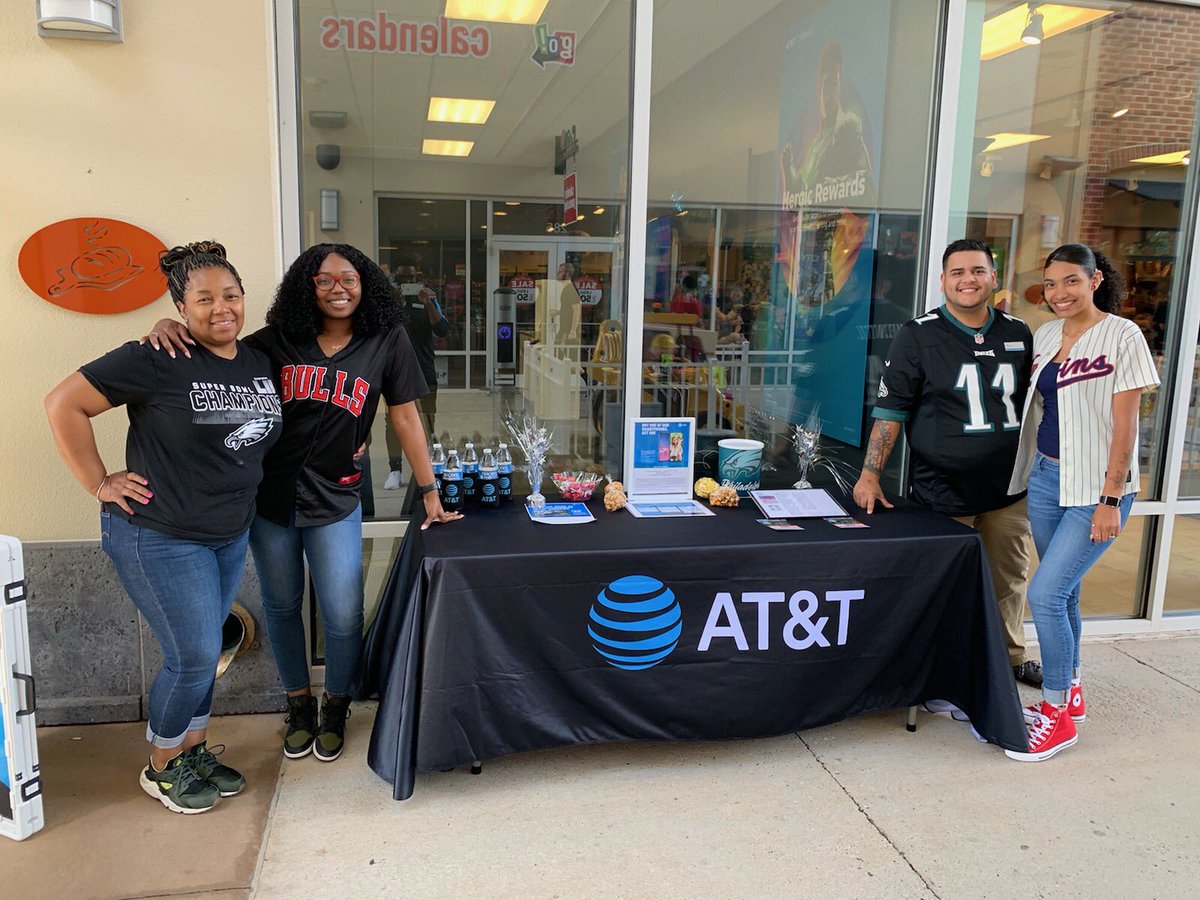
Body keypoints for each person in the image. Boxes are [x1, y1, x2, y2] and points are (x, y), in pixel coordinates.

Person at [145, 243, 461, 765]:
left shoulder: (386, 340)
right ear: (305, 287)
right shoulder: (273, 342)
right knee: (282, 605)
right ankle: (298, 704)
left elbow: (405, 417)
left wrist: (430, 492)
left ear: (366, 285)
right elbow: (213, 350)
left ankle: (337, 703)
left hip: (336, 495)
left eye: (350, 278)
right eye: (324, 279)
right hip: (269, 496)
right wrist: (164, 322)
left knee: (341, 611)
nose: (339, 288)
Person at [45, 242, 282, 814]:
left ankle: (192, 751)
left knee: (206, 651)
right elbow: (63, 404)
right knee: (195, 655)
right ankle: (161, 767)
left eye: (230, 295)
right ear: (182, 305)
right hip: (159, 534)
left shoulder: (255, 360)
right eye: (203, 299)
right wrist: (99, 482)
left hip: (228, 532)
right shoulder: (157, 356)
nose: (220, 308)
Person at [853, 239, 1042, 688]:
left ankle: (1009, 658)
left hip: (1008, 490)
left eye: (978, 270)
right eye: (957, 272)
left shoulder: (1019, 333)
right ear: (943, 281)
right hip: (942, 491)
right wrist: (869, 474)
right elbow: (891, 410)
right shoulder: (918, 333)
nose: (968, 280)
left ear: (994, 278)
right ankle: (940, 668)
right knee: (944, 585)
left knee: (1009, 581)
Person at [1003, 244, 1159, 762]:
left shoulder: (1123, 335)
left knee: (1045, 594)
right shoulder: (1046, 335)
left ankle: (1055, 716)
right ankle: (1071, 691)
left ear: (1094, 280)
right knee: (1064, 592)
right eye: (1050, 284)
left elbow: (1125, 425)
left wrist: (1111, 497)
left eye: (1071, 281)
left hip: (1098, 488)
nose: (1059, 293)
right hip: (1048, 479)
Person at [383, 263, 449, 490]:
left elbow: (442, 329)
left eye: (411, 277)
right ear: (395, 277)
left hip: (424, 368)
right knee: (393, 422)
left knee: (427, 419)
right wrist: (396, 300)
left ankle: (425, 470)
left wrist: (428, 303)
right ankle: (395, 469)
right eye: (402, 278)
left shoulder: (428, 297)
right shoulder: (389, 299)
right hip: (394, 370)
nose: (407, 282)